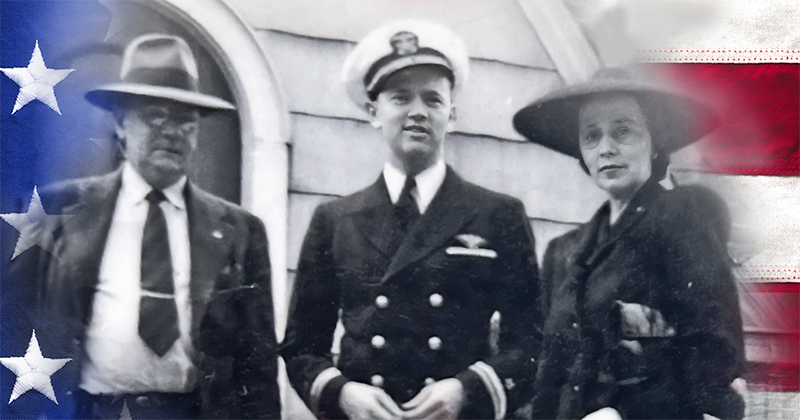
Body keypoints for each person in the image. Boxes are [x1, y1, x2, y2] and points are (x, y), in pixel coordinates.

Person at [281, 21, 541, 420]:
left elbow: (531, 341)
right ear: (374, 112)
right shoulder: (335, 220)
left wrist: (467, 389)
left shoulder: (497, 215)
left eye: (432, 100)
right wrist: (343, 394)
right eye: (400, 98)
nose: (417, 112)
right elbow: (301, 347)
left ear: (451, 115)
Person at [35, 34, 280, 419]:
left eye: (185, 120)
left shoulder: (240, 230)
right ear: (120, 123)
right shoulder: (58, 211)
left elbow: (260, 367)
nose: (171, 131)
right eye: (155, 115)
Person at [513, 68, 745, 420]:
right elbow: (548, 372)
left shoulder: (680, 215)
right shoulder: (563, 252)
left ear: (654, 145)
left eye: (623, 131)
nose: (606, 148)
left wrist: (623, 414)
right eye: (591, 136)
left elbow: (713, 349)